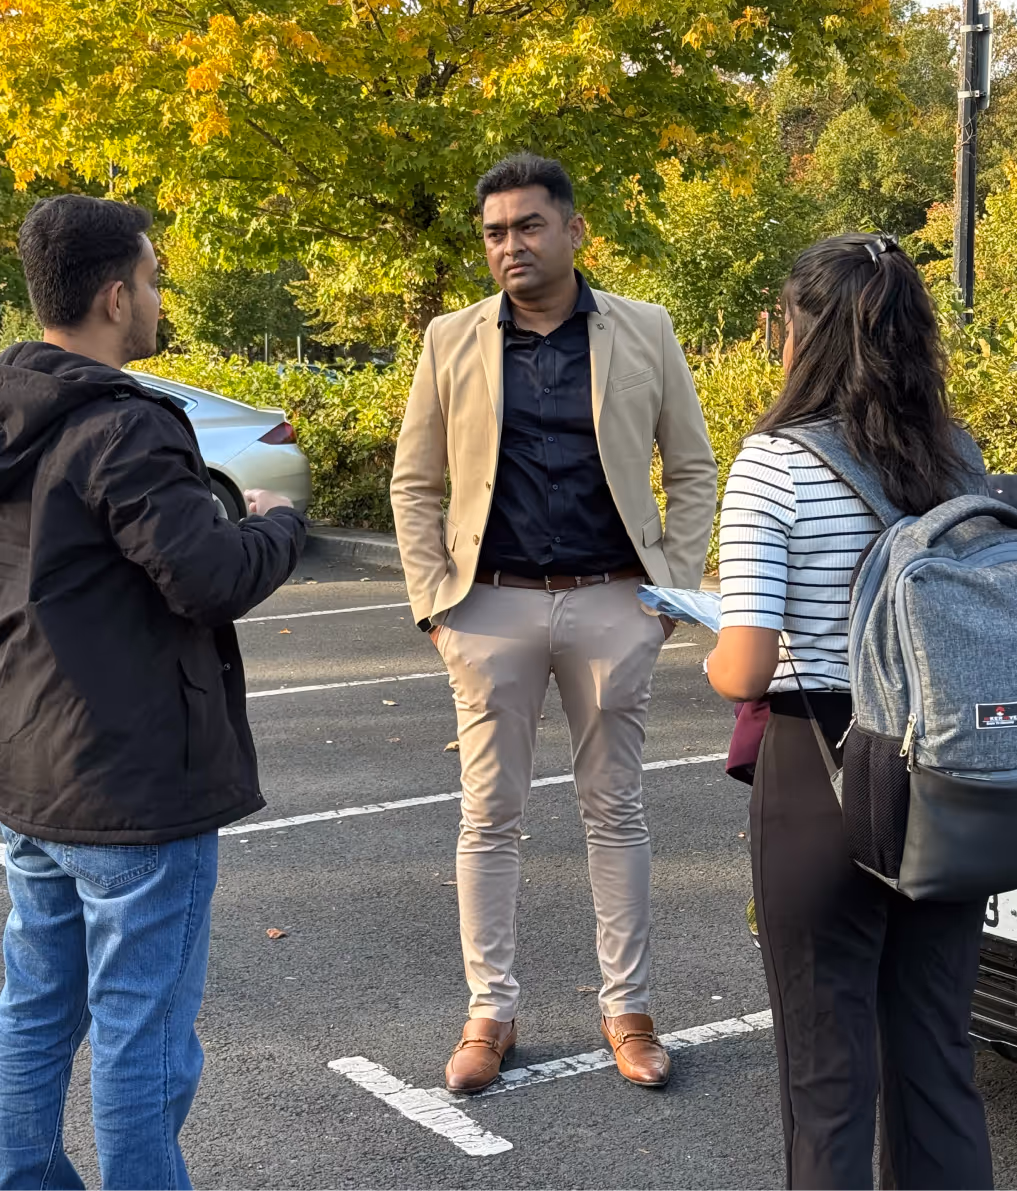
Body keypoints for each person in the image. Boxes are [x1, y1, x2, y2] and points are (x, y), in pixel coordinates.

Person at [391, 153, 717, 1094]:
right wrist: (435, 607)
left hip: (615, 597)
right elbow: (414, 484)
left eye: (528, 226)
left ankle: (630, 1009)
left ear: (573, 231)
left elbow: (691, 467)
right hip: (486, 603)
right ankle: (488, 1011)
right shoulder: (448, 339)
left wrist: (666, 595)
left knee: (615, 810)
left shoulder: (644, 330)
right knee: (488, 815)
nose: (509, 246)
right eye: (494, 232)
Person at [0, 196, 306, 1190]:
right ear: (113, 293)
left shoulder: (16, 406)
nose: (160, 298)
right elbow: (209, 575)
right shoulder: (127, 426)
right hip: (131, 783)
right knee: (144, 1028)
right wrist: (276, 524)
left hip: (27, 768)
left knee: (35, 1005)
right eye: (156, 279)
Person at [707, 234, 994, 1190]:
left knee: (827, 1074)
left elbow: (744, 666)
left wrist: (705, 636)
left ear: (797, 333)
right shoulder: (960, 460)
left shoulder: (773, 464)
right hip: (950, 774)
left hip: (822, 763)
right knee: (935, 1057)